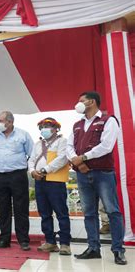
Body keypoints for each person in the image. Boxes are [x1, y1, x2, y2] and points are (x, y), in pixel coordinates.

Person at [67, 91, 127, 265]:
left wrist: (83, 158)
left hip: (103, 173)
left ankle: (117, 250)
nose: (78, 104)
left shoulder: (109, 121)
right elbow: (70, 147)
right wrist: (77, 161)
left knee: (112, 211)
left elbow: (107, 146)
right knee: (89, 212)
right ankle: (93, 248)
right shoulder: (77, 125)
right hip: (82, 173)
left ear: (91, 102)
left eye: (81, 101)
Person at [0, 111, 33, 251]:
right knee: (2, 208)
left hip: (18, 175)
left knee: (21, 208)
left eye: (1, 120)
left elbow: (31, 154)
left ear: (10, 121)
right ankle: (4, 239)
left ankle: (23, 240)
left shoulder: (23, 135)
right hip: (0, 176)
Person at [28, 117, 71, 255]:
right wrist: (33, 171)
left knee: (61, 213)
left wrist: (45, 170)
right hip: (40, 181)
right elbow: (31, 160)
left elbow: (63, 158)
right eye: (42, 126)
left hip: (55, 181)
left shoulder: (62, 141)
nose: (44, 128)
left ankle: (65, 243)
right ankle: (50, 241)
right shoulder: (37, 144)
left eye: (48, 125)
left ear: (55, 128)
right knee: (44, 213)